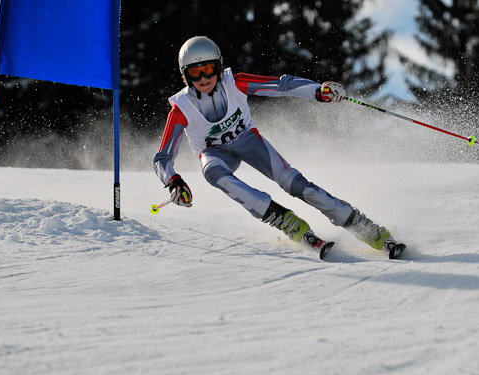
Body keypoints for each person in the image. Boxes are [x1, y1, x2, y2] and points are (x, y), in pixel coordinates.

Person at [153, 36, 403, 258]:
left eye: (208, 69)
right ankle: (282, 219)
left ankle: (362, 225)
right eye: (195, 73)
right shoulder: (181, 108)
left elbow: (282, 85)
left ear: (218, 67)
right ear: (186, 75)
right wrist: (173, 181)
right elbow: (162, 157)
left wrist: (319, 91)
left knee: (293, 182)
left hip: (247, 141)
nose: (204, 78)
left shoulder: (234, 83)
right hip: (215, 154)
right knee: (212, 172)